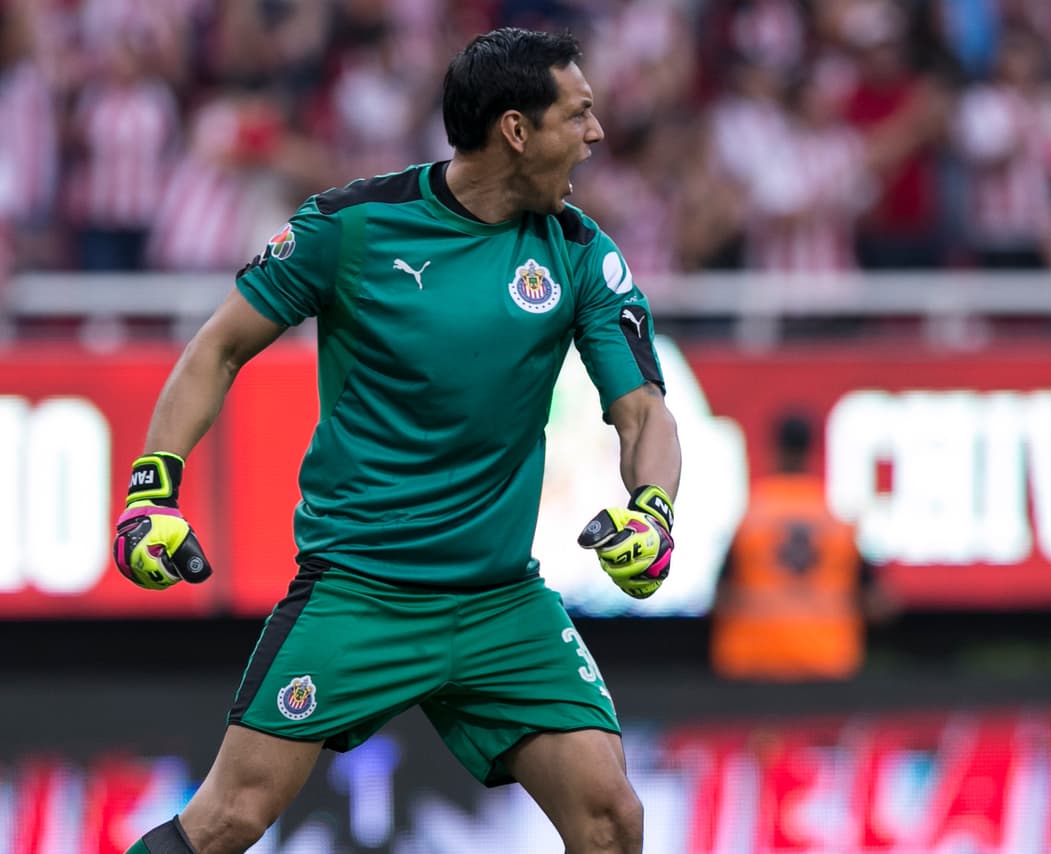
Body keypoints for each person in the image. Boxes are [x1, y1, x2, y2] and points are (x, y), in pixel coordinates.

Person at [113, 27, 681, 854]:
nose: (597, 136)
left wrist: (654, 510)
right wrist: (150, 491)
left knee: (611, 817)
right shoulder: (354, 229)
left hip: (501, 603)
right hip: (360, 594)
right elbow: (218, 347)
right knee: (228, 818)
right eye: (579, 115)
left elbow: (643, 410)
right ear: (516, 132)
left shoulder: (582, 254)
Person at [710, 411, 892, 682]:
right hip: (827, 661)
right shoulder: (837, 518)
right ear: (813, 450)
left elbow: (720, 598)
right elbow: (879, 603)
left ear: (776, 449)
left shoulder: (752, 515)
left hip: (753, 663)